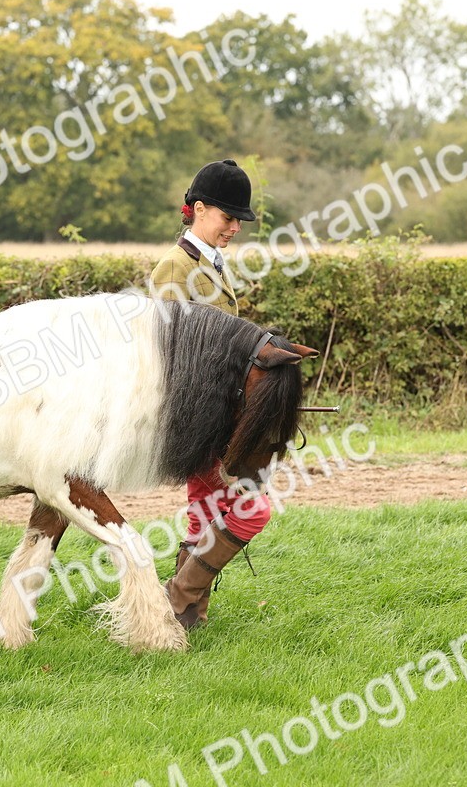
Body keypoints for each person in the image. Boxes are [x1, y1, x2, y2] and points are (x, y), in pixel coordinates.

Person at [151, 158, 274, 629]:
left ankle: (188, 615)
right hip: (197, 415)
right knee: (251, 509)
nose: (235, 228)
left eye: (239, 220)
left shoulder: (209, 263)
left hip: (220, 412)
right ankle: (175, 597)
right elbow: (172, 350)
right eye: (228, 217)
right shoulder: (174, 267)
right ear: (199, 209)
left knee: (204, 513)